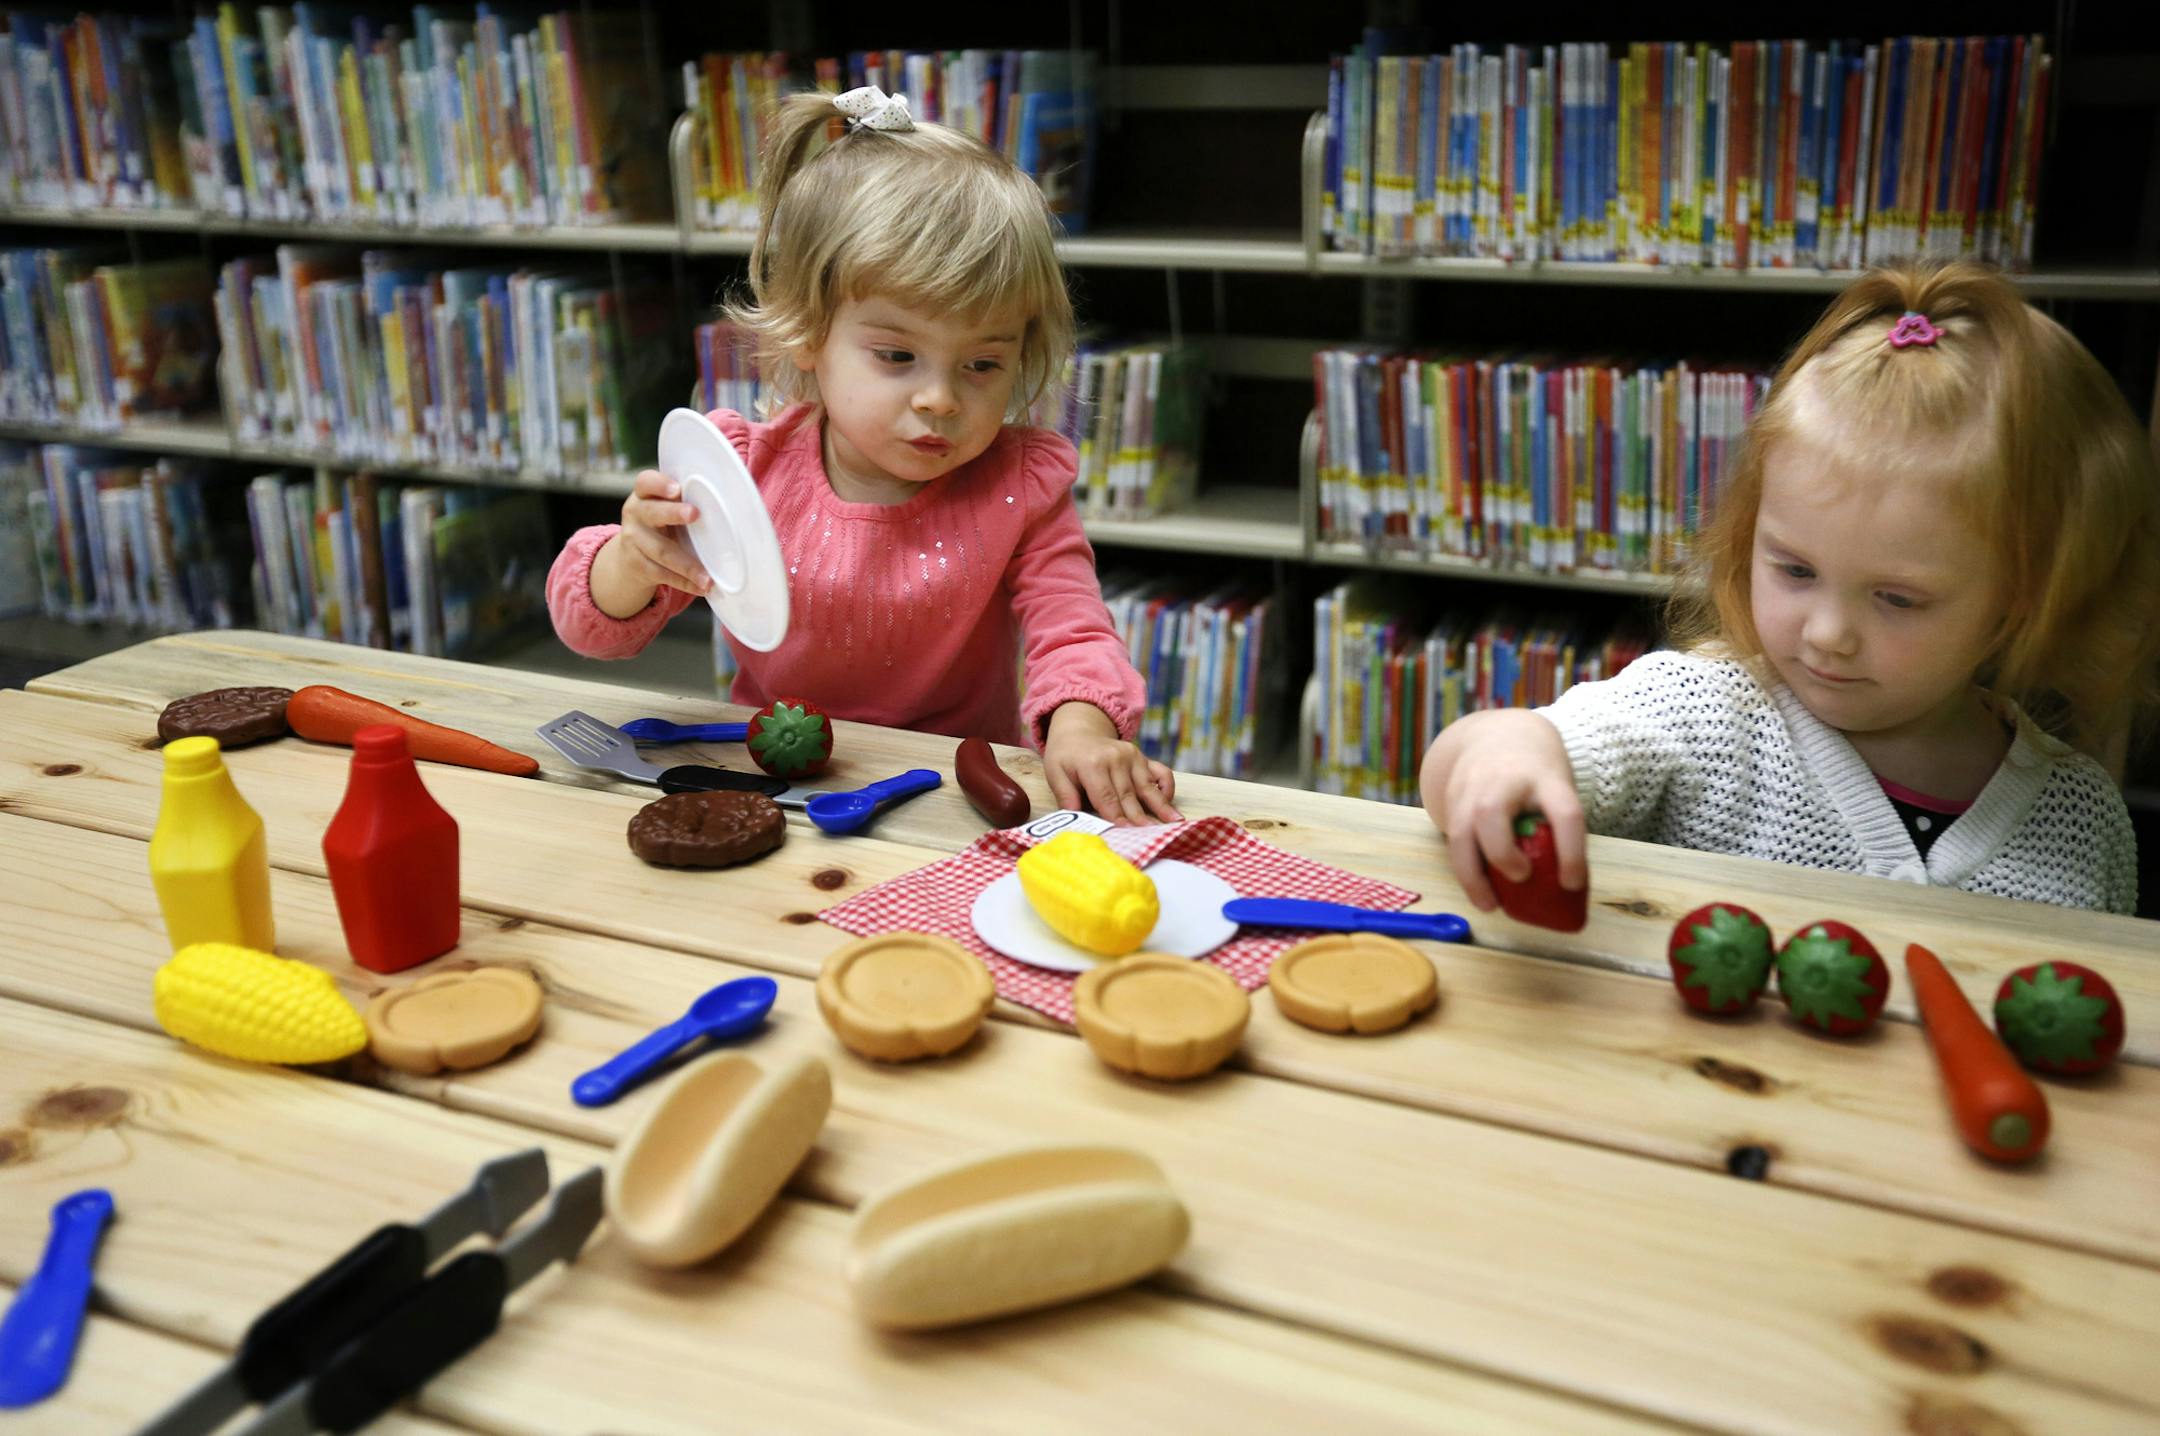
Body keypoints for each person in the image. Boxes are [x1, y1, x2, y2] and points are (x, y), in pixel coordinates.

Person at [1421, 262, 2157, 915]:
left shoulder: (2083, 819)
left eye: (1897, 599)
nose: (1827, 632)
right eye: (1795, 570)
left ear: (2025, 598)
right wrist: (1501, 753)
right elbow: (1514, 750)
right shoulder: (1702, 713)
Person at [547, 85, 1178, 824]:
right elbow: (591, 631)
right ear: (809, 333)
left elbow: (1072, 626)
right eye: (897, 355)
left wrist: (1080, 726)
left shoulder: (1019, 487)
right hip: (770, 787)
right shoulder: (742, 470)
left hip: (955, 795)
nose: (940, 399)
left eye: (982, 365)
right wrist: (632, 561)